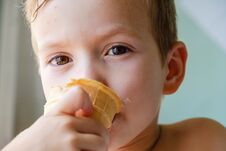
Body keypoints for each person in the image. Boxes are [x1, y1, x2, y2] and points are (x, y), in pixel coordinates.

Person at [3, 0, 226, 150]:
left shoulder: (204, 141)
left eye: (117, 50)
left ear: (171, 70)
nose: (87, 81)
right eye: (60, 59)